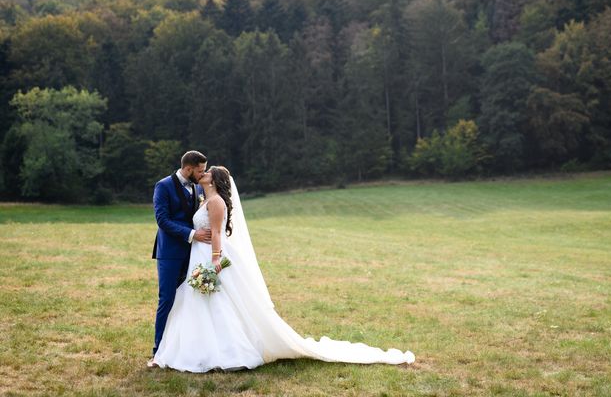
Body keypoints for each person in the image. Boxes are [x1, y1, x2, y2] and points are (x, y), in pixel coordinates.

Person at [152, 165, 415, 371]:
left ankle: (228, 351)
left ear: (215, 180)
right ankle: (196, 348)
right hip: (196, 254)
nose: (203, 174)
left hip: (210, 256)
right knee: (197, 302)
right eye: (202, 170)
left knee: (218, 304)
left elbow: (218, 232)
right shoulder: (202, 196)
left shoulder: (216, 201)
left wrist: (216, 258)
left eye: (207, 172)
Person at [148, 151, 210, 368]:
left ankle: (183, 349)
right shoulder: (163, 186)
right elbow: (162, 220)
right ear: (189, 168)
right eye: (200, 170)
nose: (203, 174)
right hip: (170, 253)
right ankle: (157, 352)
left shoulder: (198, 186)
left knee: (189, 300)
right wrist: (193, 235)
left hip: (194, 253)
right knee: (167, 299)